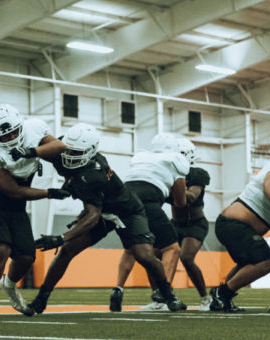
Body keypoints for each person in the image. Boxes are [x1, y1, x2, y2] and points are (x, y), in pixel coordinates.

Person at [29, 123, 185, 314]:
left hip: (127, 211)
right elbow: (43, 140)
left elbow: (93, 215)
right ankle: (41, 299)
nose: (70, 156)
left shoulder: (94, 174)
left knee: (144, 255)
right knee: (67, 251)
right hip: (101, 208)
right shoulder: (61, 151)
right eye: (69, 150)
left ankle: (169, 294)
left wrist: (61, 237)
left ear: (91, 152)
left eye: (77, 153)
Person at [0, 104, 68, 319]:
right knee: (1, 248)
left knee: (26, 256)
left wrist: (32, 151)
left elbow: (60, 146)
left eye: (14, 132)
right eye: (4, 136)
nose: (11, 137)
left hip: (16, 206)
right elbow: (14, 191)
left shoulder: (34, 128)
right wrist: (49, 193)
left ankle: (9, 284)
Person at [109, 133, 189, 312]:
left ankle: (118, 288)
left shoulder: (141, 157)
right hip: (147, 199)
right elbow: (180, 202)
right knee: (172, 248)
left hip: (122, 197)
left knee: (131, 249)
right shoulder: (175, 160)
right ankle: (164, 292)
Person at [209, 152, 270, 313]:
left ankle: (221, 298)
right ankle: (221, 293)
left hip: (236, 226)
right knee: (265, 263)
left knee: (247, 264)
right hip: (234, 224)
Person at [171, 138, 212, 310]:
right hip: (175, 223)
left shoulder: (196, 173)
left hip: (195, 224)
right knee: (156, 255)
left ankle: (205, 297)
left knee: (186, 258)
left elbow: (192, 196)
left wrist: (172, 188)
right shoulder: (168, 173)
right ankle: (164, 297)